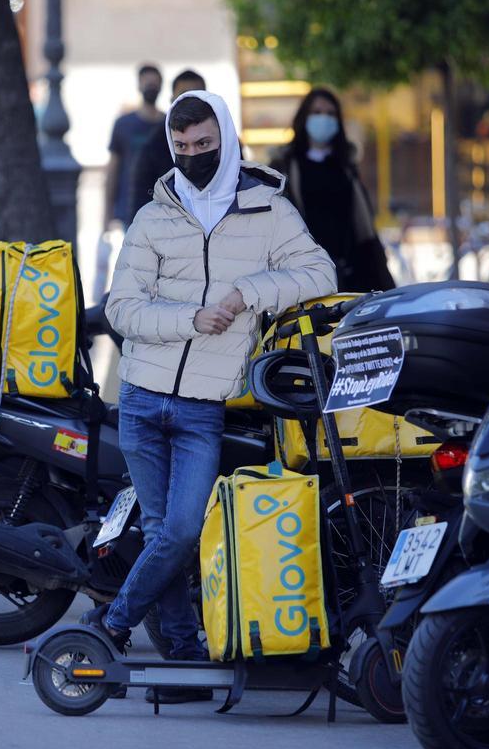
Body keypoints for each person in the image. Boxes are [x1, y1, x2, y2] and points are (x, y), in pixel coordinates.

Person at [90, 92, 336, 702]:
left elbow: (320, 274)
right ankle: (181, 655)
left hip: (203, 406)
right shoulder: (154, 216)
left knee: (179, 530)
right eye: (182, 149)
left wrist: (247, 291)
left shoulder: (268, 211)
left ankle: (108, 626)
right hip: (142, 397)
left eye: (204, 145)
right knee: (160, 534)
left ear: (225, 137)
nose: (193, 157)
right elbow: (121, 307)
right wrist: (190, 318)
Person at [272, 88, 395, 292]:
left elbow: (362, 224)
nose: (324, 119)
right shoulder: (285, 166)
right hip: (302, 272)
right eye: (317, 112)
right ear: (304, 117)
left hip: (350, 271)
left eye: (330, 114)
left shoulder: (345, 165)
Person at [127, 68, 206, 222]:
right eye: (183, 96)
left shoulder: (224, 139)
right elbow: (141, 195)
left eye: (196, 95)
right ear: (172, 100)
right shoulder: (155, 143)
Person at [104, 64, 165, 230]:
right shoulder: (124, 125)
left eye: (154, 83)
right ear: (138, 85)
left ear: (161, 86)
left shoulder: (169, 125)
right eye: (147, 82)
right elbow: (113, 171)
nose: (150, 87)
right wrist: (106, 217)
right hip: (130, 210)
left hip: (164, 209)